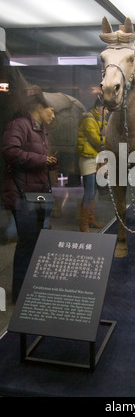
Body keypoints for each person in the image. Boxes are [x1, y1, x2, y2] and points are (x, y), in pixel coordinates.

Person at [1, 85, 57, 302]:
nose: (53, 115)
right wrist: (42, 160)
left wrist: (49, 162)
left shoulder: (40, 129)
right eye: (51, 110)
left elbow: (36, 156)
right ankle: (20, 293)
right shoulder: (20, 125)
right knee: (26, 243)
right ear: (40, 108)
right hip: (21, 193)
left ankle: (29, 287)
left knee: (35, 241)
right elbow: (9, 151)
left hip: (36, 193)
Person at [76, 97, 108, 232]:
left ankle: (90, 219)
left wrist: (105, 136)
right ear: (98, 108)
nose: (107, 112)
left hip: (95, 159)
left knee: (92, 192)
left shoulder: (100, 121)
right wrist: (105, 136)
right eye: (105, 110)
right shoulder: (89, 120)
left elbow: (105, 138)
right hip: (88, 160)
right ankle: (83, 224)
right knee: (89, 192)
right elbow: (98, 141)